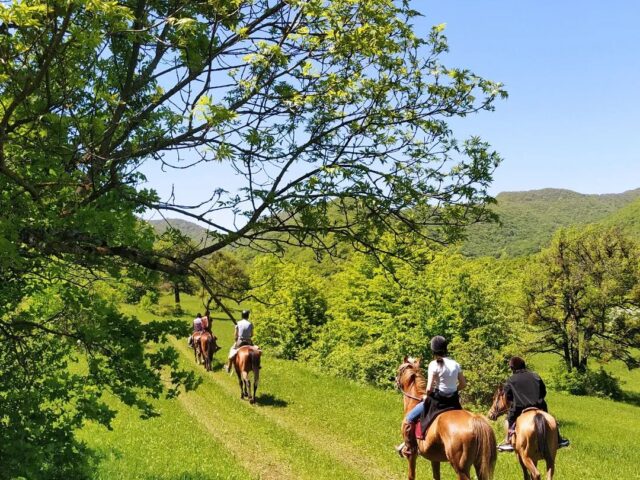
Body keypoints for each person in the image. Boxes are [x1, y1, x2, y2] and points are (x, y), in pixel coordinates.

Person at [396, 335, 466, 458]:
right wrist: (454, 391)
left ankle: (410, 447)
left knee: (409, 419)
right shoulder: (456, 364)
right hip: (454, 402)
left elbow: (428, 389)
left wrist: (425, 397)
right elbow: (463, 384)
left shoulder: (433, 364)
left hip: (437, 402)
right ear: (446, 348)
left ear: (433, 350)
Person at [497, 356, 570, 452]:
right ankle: (559, 439)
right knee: (550, 419)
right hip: (539, 406)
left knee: (509, 420)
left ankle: (508, 442)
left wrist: (516, 400)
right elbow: (543, 392)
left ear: (512, 368)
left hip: (519, 408)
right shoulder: (535, 375)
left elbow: (508, 396)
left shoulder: (511, 379)